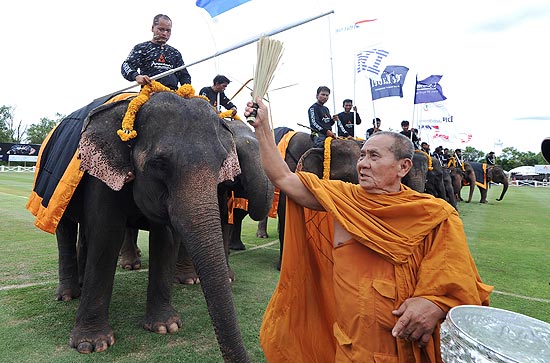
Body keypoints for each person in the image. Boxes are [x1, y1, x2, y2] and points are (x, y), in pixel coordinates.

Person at [245, 97, 493, 362]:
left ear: (403, 166)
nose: (362, 163)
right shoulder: (342, 198)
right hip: (351, 348)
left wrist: (434, 304)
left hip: (408, 349)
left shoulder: (435, 215)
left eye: (374, 156)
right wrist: (262, 128)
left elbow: (459, 284)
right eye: (362, 155)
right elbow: (283, 177)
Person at [121, 14, 191, 90]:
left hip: (172, 93)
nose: (165, 33)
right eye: (161, 29)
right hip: (150, 92)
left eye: (168, 30)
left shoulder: (175, 53)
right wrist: (136, 76)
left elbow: (184, 76)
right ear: (152, 28)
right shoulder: (142, 48)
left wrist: (186, 88)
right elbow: (127, 65)